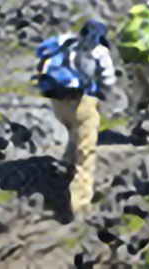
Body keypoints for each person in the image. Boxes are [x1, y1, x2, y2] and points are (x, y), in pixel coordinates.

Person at [34, 19, 116, 214]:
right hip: (82, 101)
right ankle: (80, 204)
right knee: (86, 154)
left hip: (58, 101)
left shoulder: (66, 42)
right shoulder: (98, 51)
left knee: (73, 128)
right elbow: (109, 79)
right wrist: (102, 93)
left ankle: (65, 164)